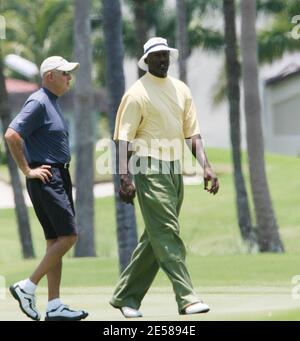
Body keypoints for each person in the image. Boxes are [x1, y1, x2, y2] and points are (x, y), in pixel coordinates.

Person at [110, 37, 219, 318]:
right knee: (167, 231)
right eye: (156, 56)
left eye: (165, 55)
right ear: (146, 61)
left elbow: (191, 133)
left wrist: (206, 166)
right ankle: (187, 296)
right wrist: (124, 177)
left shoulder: (181, 89)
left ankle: (126, 296)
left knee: (156, 236)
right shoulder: (136, 94)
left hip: (174, 168)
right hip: (149, 167)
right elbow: (123, 139)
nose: (162, 60)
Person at [5, 56, 88, 321]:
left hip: (55, 176)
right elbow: (12, 134)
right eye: (65, 73)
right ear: (50, 75)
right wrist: (27, 170)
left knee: (56, 240)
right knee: (69, 236)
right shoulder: (39, 101)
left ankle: (55, 306)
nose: (69, 78)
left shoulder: (51, 102)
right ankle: (27, 287)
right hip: (47, 176)